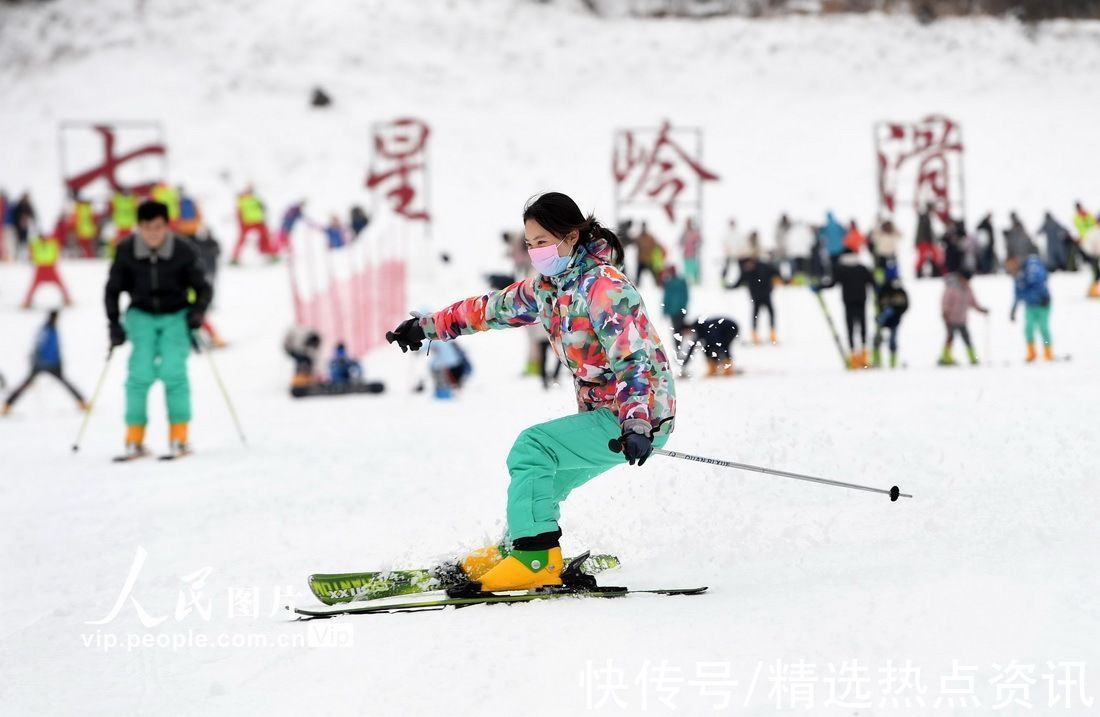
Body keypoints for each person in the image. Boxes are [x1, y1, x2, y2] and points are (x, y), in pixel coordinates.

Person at [385, 192, 675, 593]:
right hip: (609, 416)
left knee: (532, 448)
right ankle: (515, 549)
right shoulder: (548, 288)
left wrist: (637, 422)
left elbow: (634, 360)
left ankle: (535, 559)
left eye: (543, 242)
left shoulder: (604, 288)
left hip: (636, 416)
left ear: (571, 238)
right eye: (530, 243)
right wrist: (425, 327)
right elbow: (488, 309)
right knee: (544, 484)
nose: (536, 251)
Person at [105, 200, 212, 459]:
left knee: (173, 372)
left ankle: (179, 436)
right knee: (139, 374)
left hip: (175, 316)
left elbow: (203, 287)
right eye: (147, 227)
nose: (153, 233)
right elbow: (112, 289)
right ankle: (134, 438)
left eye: (158, 227)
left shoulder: (183, 250)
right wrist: (114, 324)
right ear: (138, 227)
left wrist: (197, 312)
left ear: (166, 226)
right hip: (141, 315)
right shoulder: (127, 250)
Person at [2, 310, 86, 415]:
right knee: (27, 383)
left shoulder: (51, 329)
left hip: (50, 363)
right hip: (44, 364)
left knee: (63, 383)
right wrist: (37, 360)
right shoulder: (46, 330)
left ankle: (81, 402)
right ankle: (7, 404)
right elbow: (40, 347)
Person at [831, 252, 876, 368]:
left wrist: (819, 286)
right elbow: (873, 283)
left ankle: (853, 357)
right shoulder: (862, 268)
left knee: (850, 329)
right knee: (863, 328)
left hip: (848, 303)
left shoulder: (842, 269)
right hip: (861, 302)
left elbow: (833, 283)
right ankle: (864, 356)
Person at [1006, 254, 1054, 362]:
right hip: (1030, 305)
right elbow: (1017, 294)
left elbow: (1041, 281)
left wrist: (1043, 296)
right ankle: (1031, 352)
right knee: (1028, 329)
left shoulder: (1031, 267)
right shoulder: (1017, 276)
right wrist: (1014, 309)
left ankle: (1048, 350)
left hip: (1043, 304)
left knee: (1043, 328)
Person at [939, 270, 988, 366]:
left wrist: (981, 310)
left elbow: (973, 302)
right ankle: (945, 357)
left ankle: (973, 358)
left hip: (962, 319)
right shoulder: (952, 288)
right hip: (950, 318)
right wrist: (945, 312)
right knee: (950, 338)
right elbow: (945, 301)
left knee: (967, 339)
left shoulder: (968, 289)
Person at [728, 256, 779, 344]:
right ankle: (755, 336)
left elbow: (775, 272)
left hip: (766, 294)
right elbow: (739, 281)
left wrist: (779, 279)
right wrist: (730, 287)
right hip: (755, 297)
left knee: (771, 313)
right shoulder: (747, 271)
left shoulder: (764, 266)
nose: (748, 266)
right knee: (755, 315)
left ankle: (773, 334)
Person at [22, 231, 73, 308]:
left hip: (48, 266)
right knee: (58, 284)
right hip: (43, 267)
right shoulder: (40, 243)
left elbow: (31, 253)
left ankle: (67, 298)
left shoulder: (49, 242)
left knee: (59, 284)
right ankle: (28, 301)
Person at [871, 264, 908, 369]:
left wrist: (897, 312)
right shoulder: (884, 289)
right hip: (884, 319)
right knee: (878, 339)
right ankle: (877, 360)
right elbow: (878, 302)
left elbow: (905, 304)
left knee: (892, 341)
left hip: (894, 319)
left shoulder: (898, 290)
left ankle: (892, 363)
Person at [231, 186, 274, 264]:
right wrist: (241, 223)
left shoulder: (256, 198)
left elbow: (262, 208)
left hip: (259, 221)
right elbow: (239, 212)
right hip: (247, 223)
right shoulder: (242, 200)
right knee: (242, 239)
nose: (250, 192)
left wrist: (263, 215)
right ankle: (235, 257)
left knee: (265, 236)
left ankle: (268, 252)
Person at [661, 265, 689, 360]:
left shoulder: (671, 283)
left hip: (676, 311)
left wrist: (665, 310)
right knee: (679, 330)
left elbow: (667, 298)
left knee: (677, 331)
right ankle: (680, 351)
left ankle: (679, 351)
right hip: (678, 310)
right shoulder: (678, 282)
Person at [914, 204, 943, 278]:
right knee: (923, 257)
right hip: (923, 241)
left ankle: (935, 271)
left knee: (934, 256)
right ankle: (919, 272)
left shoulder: (928, 217)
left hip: (927, 241)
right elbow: (926, 231)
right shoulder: (924, 217)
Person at [633, 222, 664, 288]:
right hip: (641, 260)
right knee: (638, 275)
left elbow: (656, 245)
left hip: (648, 260)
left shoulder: (650, 237)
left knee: (654, 274)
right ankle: (637, 285)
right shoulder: (639, 237)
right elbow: (634, 242)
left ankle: (658, 284)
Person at [679, 218, 702, 285]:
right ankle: (687, 281)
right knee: (687, 268)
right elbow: (680, 242)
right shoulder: (684, 233)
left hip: (694, 253)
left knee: (694, 268)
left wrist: (696, 245)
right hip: (686, 254)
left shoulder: (695, 233)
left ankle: (696, 280)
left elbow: (699, 241)